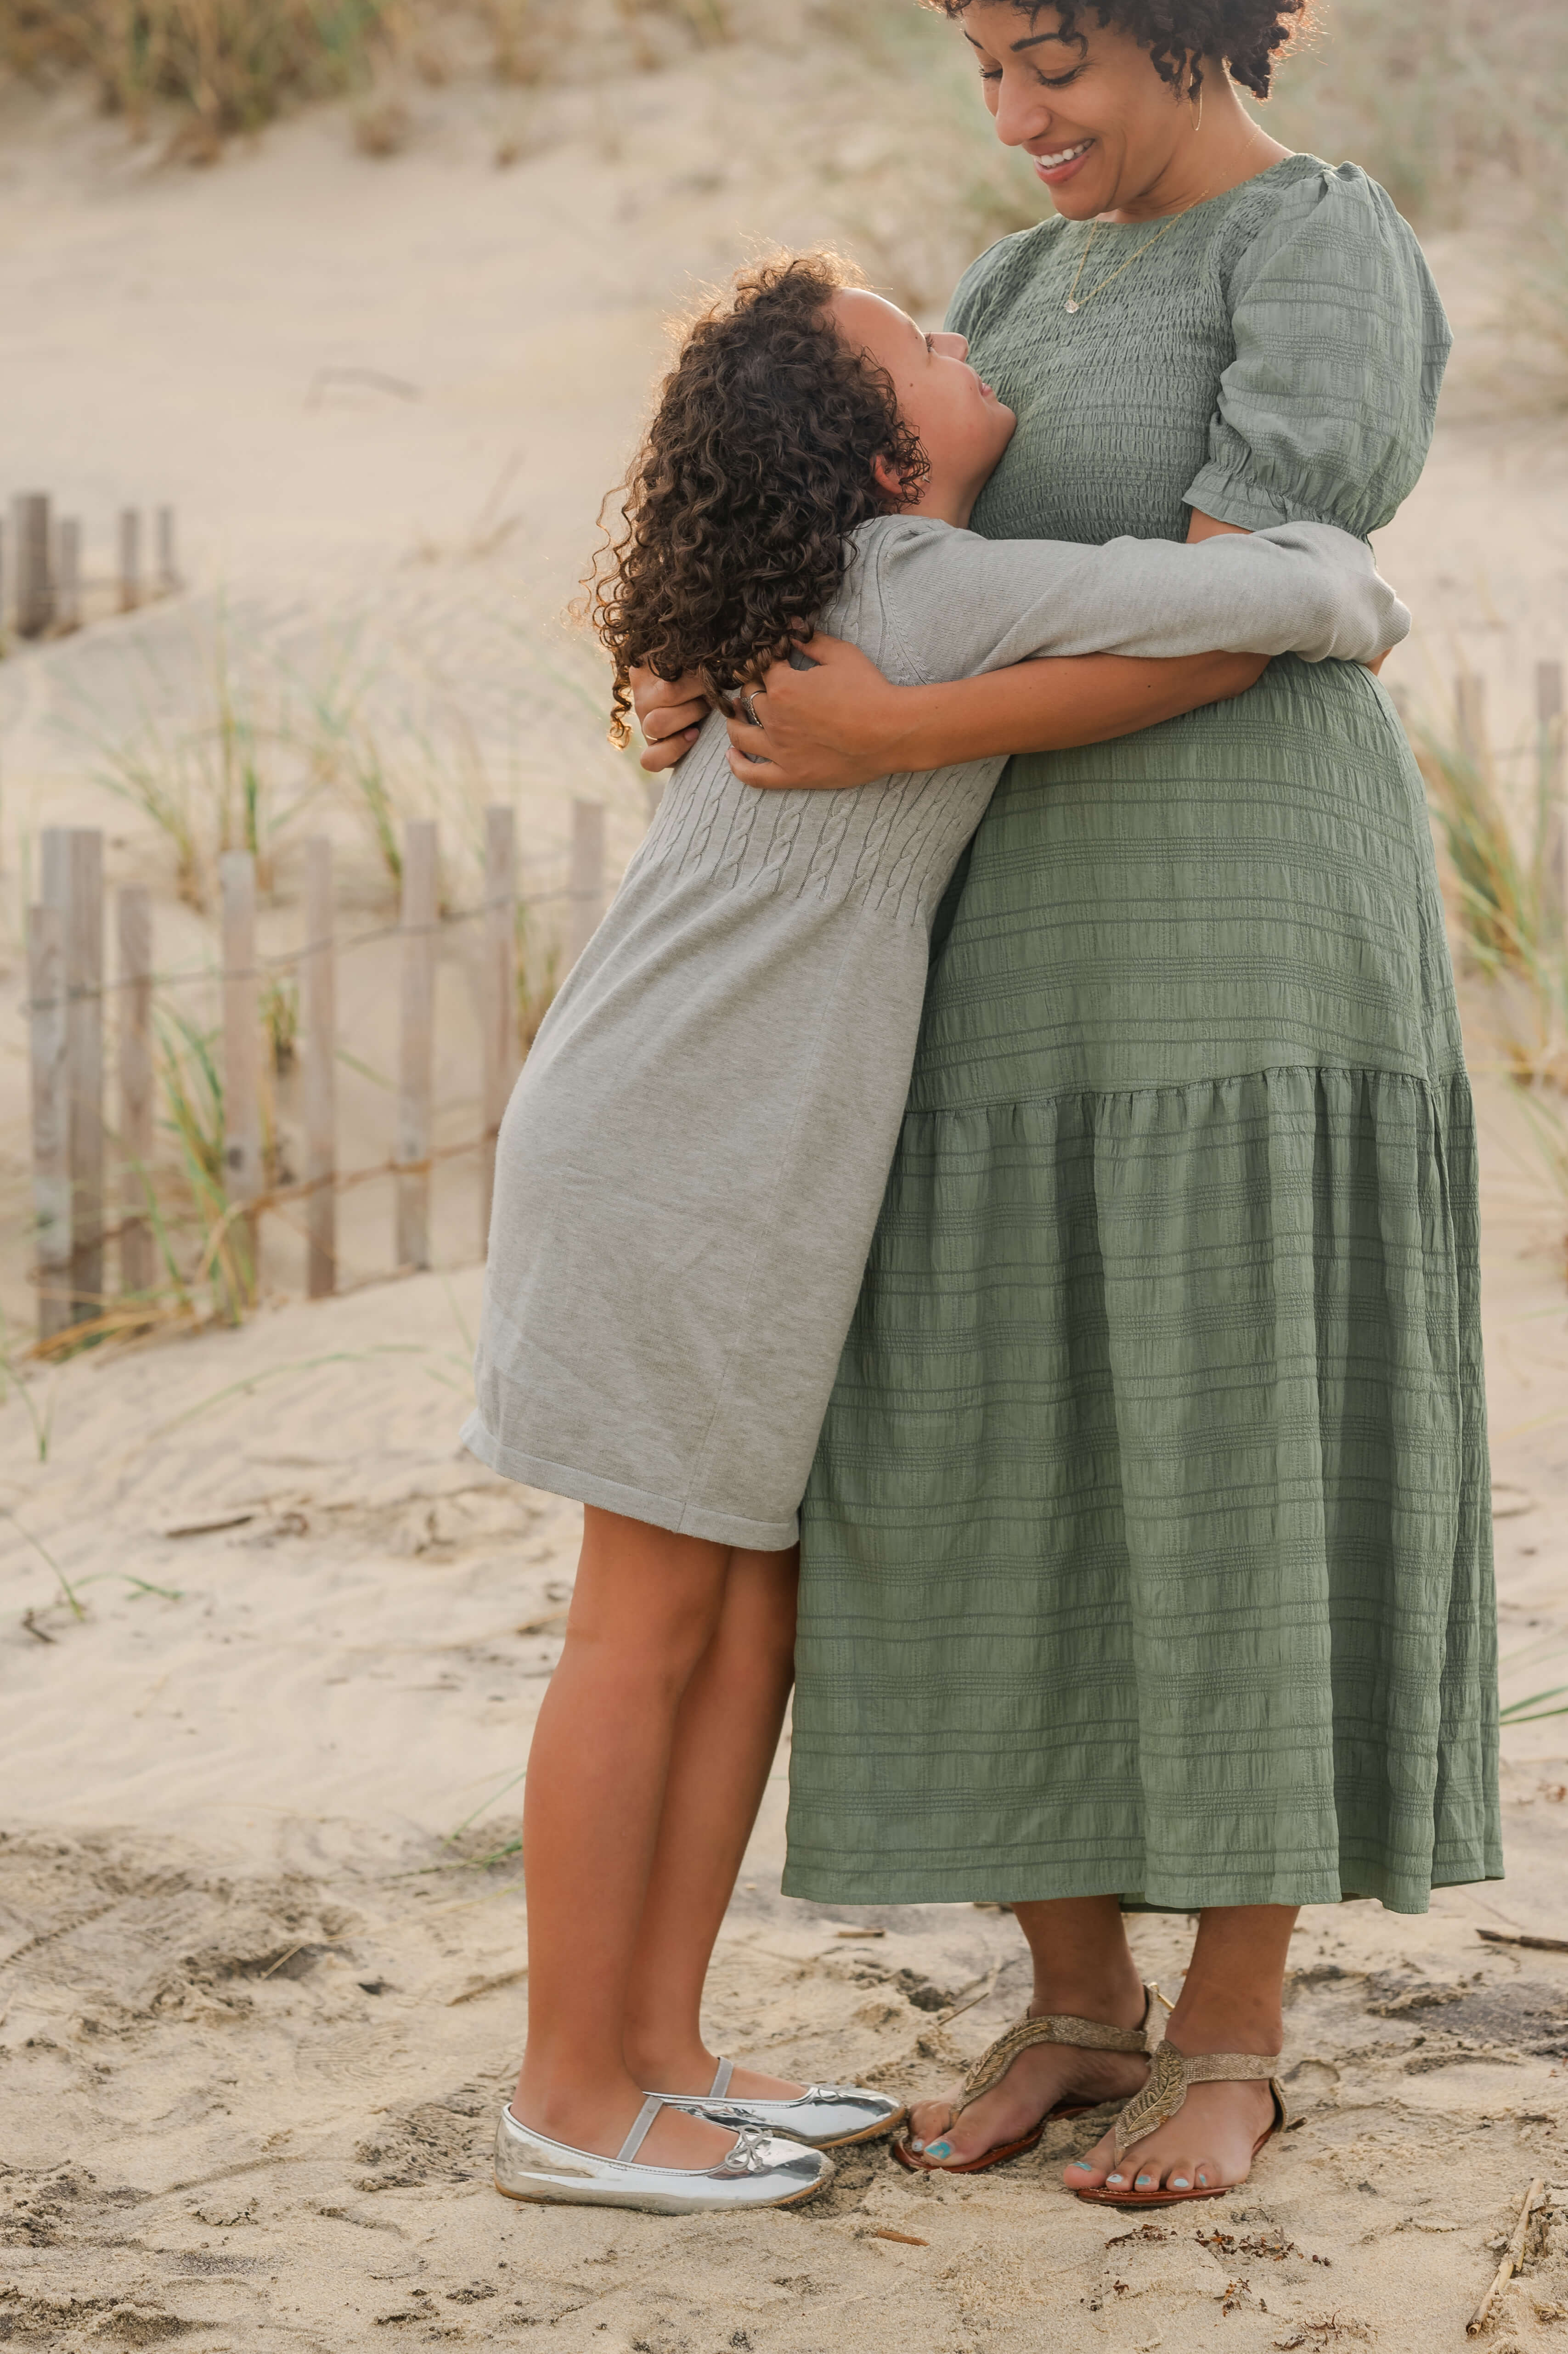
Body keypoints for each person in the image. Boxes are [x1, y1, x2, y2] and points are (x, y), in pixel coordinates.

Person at [630, 0, 1500, 2212]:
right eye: (989, 65)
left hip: (1246, 932)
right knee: (979, 1449)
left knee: (1238, 1451)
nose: (1019, 116)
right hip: (998, 963)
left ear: (1191, 20)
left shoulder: (1315, 252)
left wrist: (901, 734)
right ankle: (1078, 1995)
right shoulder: (1015, 294)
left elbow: (1229, 625)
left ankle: (1229, 2032)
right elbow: (884, 558)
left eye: (1059, 62)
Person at [464, 247, 1410, 2217]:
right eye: (920, 342)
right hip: (672, 1146)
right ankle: (565, 2087)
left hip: (734, 1152)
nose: (963, 338)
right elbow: (1287, 592)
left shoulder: (840, 590)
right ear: (879, 449)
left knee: (743, 1615)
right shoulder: (914, 585)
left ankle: (661, 2054)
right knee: (643, 1621)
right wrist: (1347, 586)